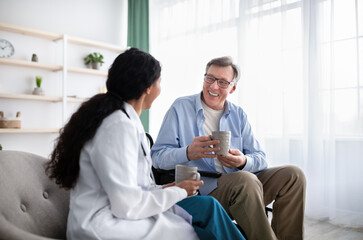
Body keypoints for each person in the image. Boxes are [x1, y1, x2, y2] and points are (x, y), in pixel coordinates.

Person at [46, 48, 245, 240]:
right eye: (159, 81)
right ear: (148, 87)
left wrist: (165, 189)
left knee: (206, 207)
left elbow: (134, 187)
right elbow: (127, 205)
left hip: (120, 213)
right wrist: (180, 190)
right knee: (198, 228)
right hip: (104, 226)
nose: (161, 88)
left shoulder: (124, 120)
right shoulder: (117, 126)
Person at [151, 56, 306, 240]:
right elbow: (157, 157)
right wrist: (187, 152)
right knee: (244, 180)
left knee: (293, 175)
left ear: (232, 88)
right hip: (207, 190)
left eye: (222, 82)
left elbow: (261, 158)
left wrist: (243, 161)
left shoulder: (238, 115)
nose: (214, 86)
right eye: (210, 78)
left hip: (246, 186)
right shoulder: (181, 107)